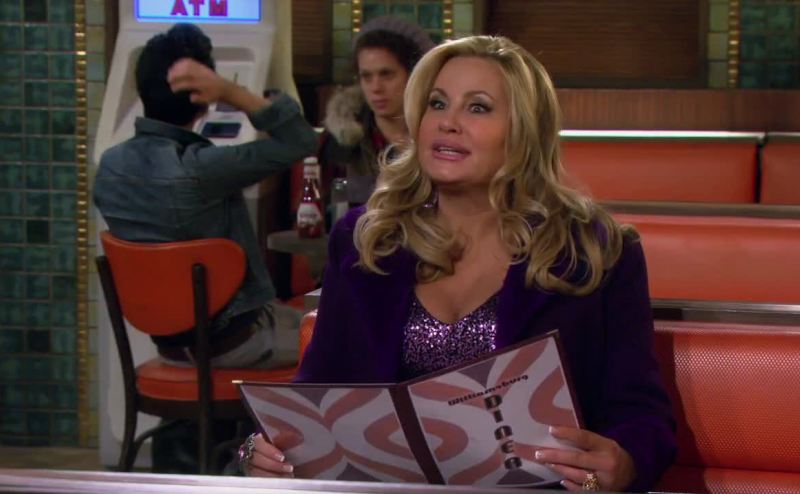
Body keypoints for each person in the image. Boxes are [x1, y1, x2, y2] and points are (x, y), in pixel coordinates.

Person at [241, 35, 676, 491]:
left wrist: (625, 463)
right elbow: (317, 393)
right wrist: (269, 449)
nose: (448, 123)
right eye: (437, 103)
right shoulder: (365, 241)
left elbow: (641, 416)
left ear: (524, 130)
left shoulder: (594, 251)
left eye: (478, 107)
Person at [94, 24, 318, 368]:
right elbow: (301, 141)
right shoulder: (202, 168)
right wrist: (231, 91)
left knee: (322, 313)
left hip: (171, 348)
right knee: (357, 338)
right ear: (201, 99)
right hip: (235, 344)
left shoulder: (109, 167)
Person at [319, 15, 434, 205]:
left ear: (414, 76)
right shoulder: (343, 143)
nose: (376, 88)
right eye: (366, 76)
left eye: (386, 74)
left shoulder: (438, 138)